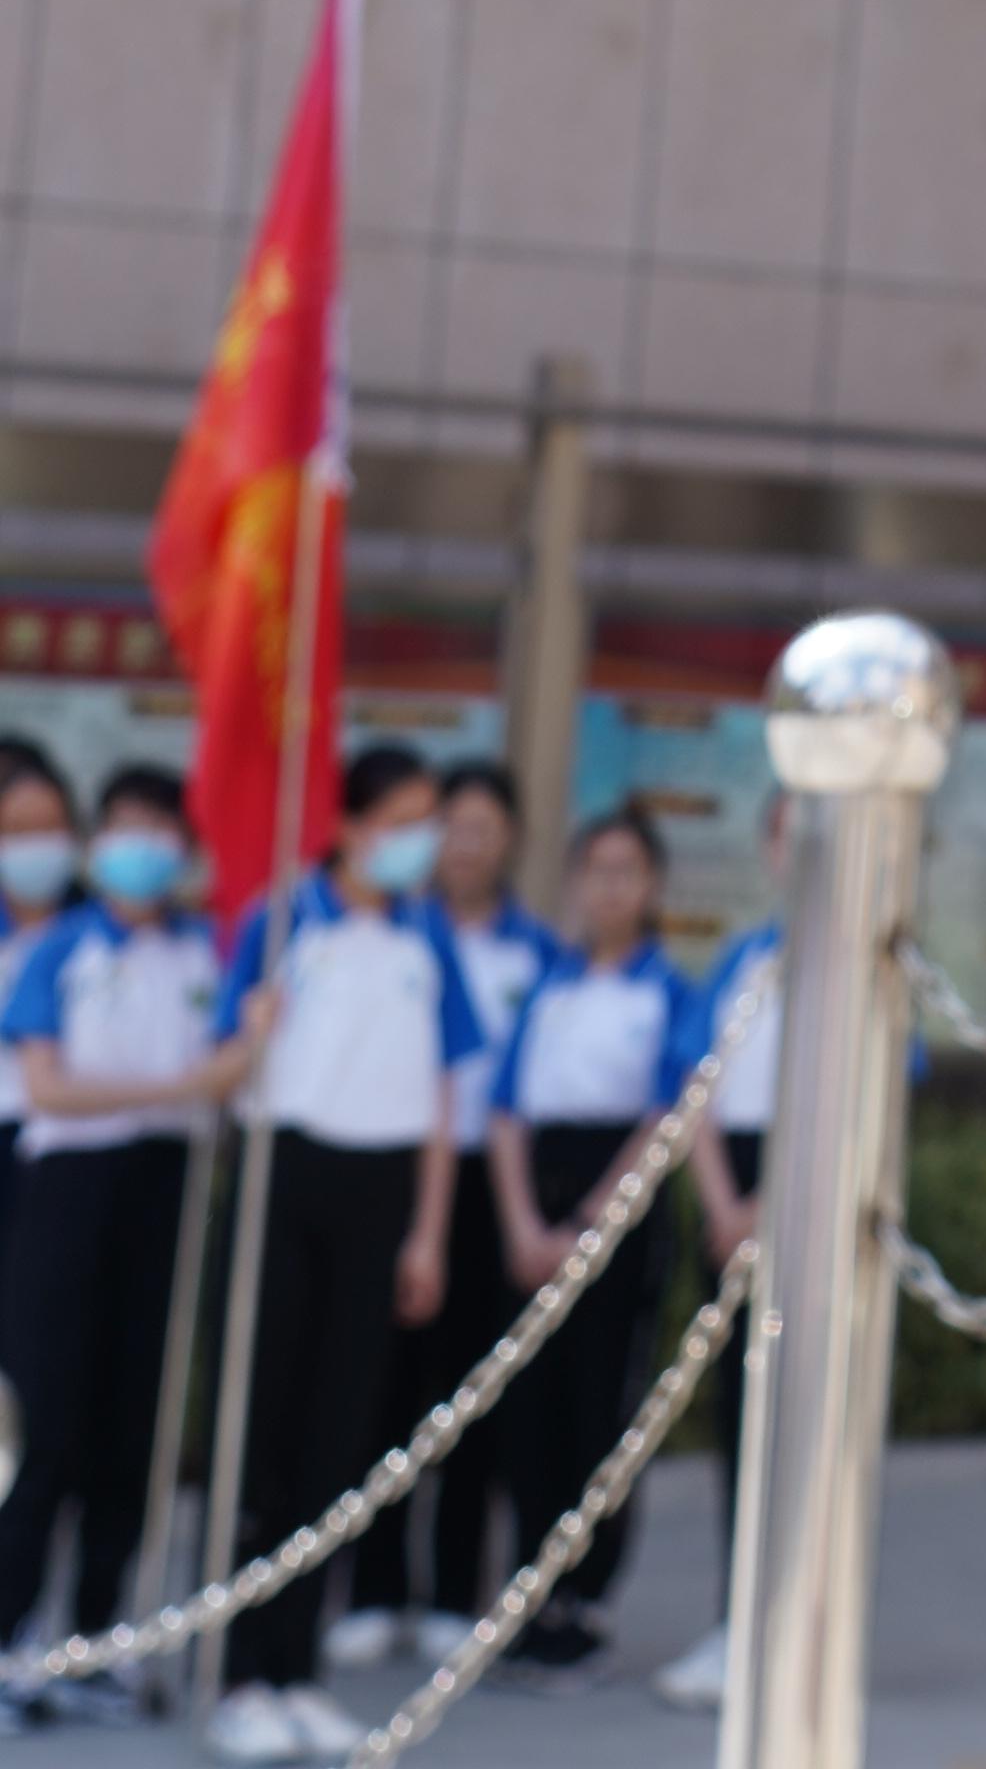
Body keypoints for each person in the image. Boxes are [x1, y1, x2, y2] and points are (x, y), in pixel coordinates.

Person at [207, 744, 485, 1766]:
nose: (423, 839)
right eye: (406, 817)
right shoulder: (283, 921)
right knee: (267, 1440)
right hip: (288, 1180)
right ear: (354, 825)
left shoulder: (426, 939)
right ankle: (243, 1673)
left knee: (338, 1440)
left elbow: (446, 1095)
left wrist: (425, 1230)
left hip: (380, 1195)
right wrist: (250, 1030)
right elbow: (227, 1065)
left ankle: (300, 1668)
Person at [0, 768, 238, 1687]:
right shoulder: (62, 948)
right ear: (98, 846)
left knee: (133, 1423)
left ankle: (96, 1639)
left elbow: (235, 1064)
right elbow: (50, 1085)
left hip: (165, 1186)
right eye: (122, 825)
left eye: (157, 827)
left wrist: (227, 1060)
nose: (139, 844)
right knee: (46, 1417)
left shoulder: (202, 955)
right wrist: (177, 1091)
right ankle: (13, 1631)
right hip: (66, 1186)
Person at [331, 759, 549, 1674]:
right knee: (381, 1384)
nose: (461, 844)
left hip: (486, 1185)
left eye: (481, 828)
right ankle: (375, 1588)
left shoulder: (535, 952)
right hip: (398, 1173)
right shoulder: (394, 931)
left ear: (508, 841)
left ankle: (457, 1591)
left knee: (472, 1389)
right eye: (448, 825)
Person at [486, 806, 692, 1671]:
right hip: (538, 1198)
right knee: (529, 1408)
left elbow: (665, 1115)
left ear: (651, 886)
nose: (607, 888)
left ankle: (586, 1595)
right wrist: (526, 1224)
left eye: (625, 871)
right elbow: (505, 1111)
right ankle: (527, 1588)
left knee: (598, 1408)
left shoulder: (668, 989)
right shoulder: (550, 982)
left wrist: (587, 1225)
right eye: (593, 870)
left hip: (618, 1212)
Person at [656, 844, 783, 1712]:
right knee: (741, 1415)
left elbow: (874, 1104)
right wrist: (726, 1206)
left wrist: (772, 1205)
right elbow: (694, 1084)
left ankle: (793, 1621)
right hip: (731, 1197)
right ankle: (737, 1619)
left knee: (804, 1423)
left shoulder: (880, 964)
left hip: (810, 1197)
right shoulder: (746, 957)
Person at [0, 743, 78, 1313]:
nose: (36, 845)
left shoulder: (91, 929)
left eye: (50, 828)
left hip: (68, 1149)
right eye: (19, 830)